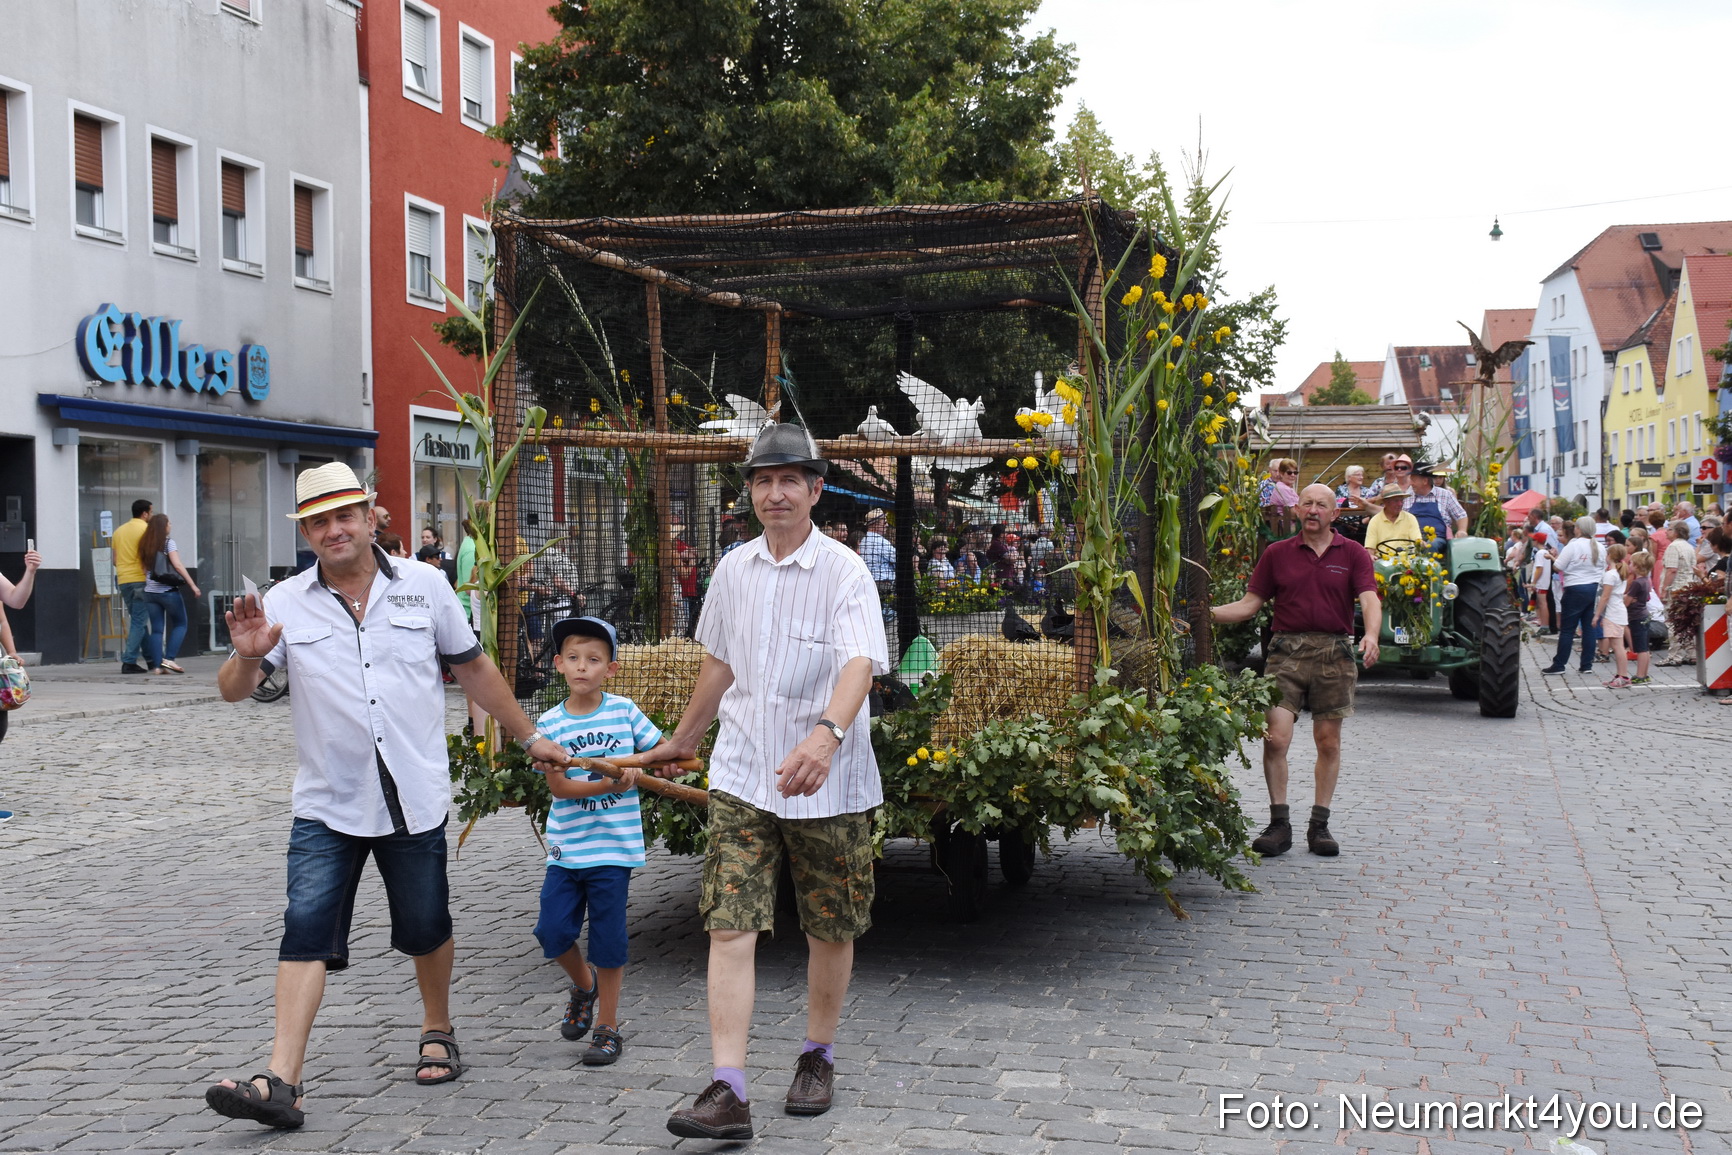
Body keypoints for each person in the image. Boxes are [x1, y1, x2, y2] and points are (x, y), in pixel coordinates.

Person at [204, 462, 570, 1131]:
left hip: (412, 792)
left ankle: (437, 1027)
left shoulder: (425, 585)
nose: (333, 530)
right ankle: (282, 1080)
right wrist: (248, 655)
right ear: (306, 534)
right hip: (327, 799)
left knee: (426, 924)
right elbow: (234, 691)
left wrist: (530, 736)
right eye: (318, 521)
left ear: (370, 516)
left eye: (344, 515)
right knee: (304, 929)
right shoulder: (285, 602)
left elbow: (473, 667)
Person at [646, 425, 888, 1140]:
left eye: (789, 480)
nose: (775, 493)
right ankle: (728, 1087)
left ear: (815, 490)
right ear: (749, 492)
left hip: (828, 781)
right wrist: (685, 737)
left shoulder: (844, 571)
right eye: (762, 480)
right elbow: (721, 664)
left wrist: (826, 734)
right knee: (729, 923)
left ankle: (818, 1055)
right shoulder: (733, 569)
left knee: (830, 925)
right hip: (744, 773)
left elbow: (860, 663)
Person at [1210, 484, 1379, 858]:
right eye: (1307, 503)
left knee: (1328, 741)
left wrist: (1370, 634)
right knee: (1275, 738)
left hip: (1335, 654)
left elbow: (1369, 598)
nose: (1313, 510)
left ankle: (1319, 825)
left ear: (1335, 514)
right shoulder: (1277, 554)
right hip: (1285, 653)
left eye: (1321, 504)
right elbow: (1249, 604)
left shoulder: (1352, 553)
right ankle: (1279, 824)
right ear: (1297, 510)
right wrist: (1203, 616)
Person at [530, 617, 660, 1067]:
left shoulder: (624, 711)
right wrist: (611, 783)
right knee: (551, 931)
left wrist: (639, 765)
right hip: (567, 848)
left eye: (593, 659)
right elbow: (560, 787)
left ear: (611, 668)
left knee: (608, 938)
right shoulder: (549, 723)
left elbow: (659, 751)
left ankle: (607, 1026)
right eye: (573, 658)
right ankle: (584, 986)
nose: (582, 667)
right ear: (558, 665)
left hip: (613, 848)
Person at [137, 513, 202, 675]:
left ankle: (157, 667)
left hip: (150, 592)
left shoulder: (144, 544)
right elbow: (178, 565)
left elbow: (144, 570)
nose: (170, 525)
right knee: (181, 624)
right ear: (163, 526)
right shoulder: (168, 543)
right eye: (169, 523)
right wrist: (192, 585)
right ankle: (169, 659)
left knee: (157, 630)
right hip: (167, 592)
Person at [1542, 516, 1604, 675]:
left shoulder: (1573, 545)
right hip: (1594, 588)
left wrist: (1553, 557)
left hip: (1575, 587)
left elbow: (1558, 566)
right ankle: (1586, 664)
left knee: (1567, 629)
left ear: (1579, 529)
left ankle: (1559, 664)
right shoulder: (1599, 546)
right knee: (1589, 628)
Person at [112, 498, 154, 674]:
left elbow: (115, 560)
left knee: (139, 621)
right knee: (139, 621)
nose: (151, 515)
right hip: (140, 580)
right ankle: (128, 661)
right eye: (151, 512)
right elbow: (149, 556)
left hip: (123, 580)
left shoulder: (119, 531)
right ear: (144, 513)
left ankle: (152, 660)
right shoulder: (147, 530)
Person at [1593, 543, 1631, 688]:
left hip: (1613, 612)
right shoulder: (1619, 573)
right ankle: (1620, 674)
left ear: (1609, 555)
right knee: (1617, 645)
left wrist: (1597, 615)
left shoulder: (1611, 574)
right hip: (1617, 611)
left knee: (1617, 646)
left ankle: (1623, 676)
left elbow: (1605, 596)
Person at [1405, 462, 1468, 540]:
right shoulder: (1407, 497)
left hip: (1437, 538)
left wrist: (1462, 530)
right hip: (1412, 539)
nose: (1411, 483)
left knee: (1433, 545)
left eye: (1413, 480)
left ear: (1425, 481)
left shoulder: (1445, 494)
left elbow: (1461, 515)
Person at [1625, 550, 1655, 686]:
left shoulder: (1636, 583)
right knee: (1645, 647)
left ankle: (1640, 675)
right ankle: (1644, 674)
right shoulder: (1646, 580)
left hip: (1636, 617)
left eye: (1631, 563)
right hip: (1644, 614)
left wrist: (1624, 598)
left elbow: (1627, 601)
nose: (1629, 565)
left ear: (1637, 566)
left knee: (1640, 648)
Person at [1361, 487, 1420, 554]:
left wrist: (1422, 543)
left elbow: (1417, 541)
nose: (1400, 504)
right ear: (1386, 502)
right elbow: (1370, 549)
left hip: (1408, 558)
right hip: (1382, 558)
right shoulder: (1375, 521)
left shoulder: (1410, 518)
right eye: (1396, 501)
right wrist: (1371, 556)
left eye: (1401, 500)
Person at [859, 508, 896, 594]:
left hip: (869, 583)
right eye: (884, 523)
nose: (887, 525)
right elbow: (899, 559)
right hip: (883, 585)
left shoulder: (864, 540)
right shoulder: (880, 541)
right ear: (876, 525)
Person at [1259, 459, 1300, 534]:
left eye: (1295, 472)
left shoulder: (1286, 487)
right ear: (1281, 473)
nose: (1293, 475)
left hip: (1290, 525)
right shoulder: (1282, 489)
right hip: (1288, 528)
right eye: (1289, 473)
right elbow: (1294, 513)